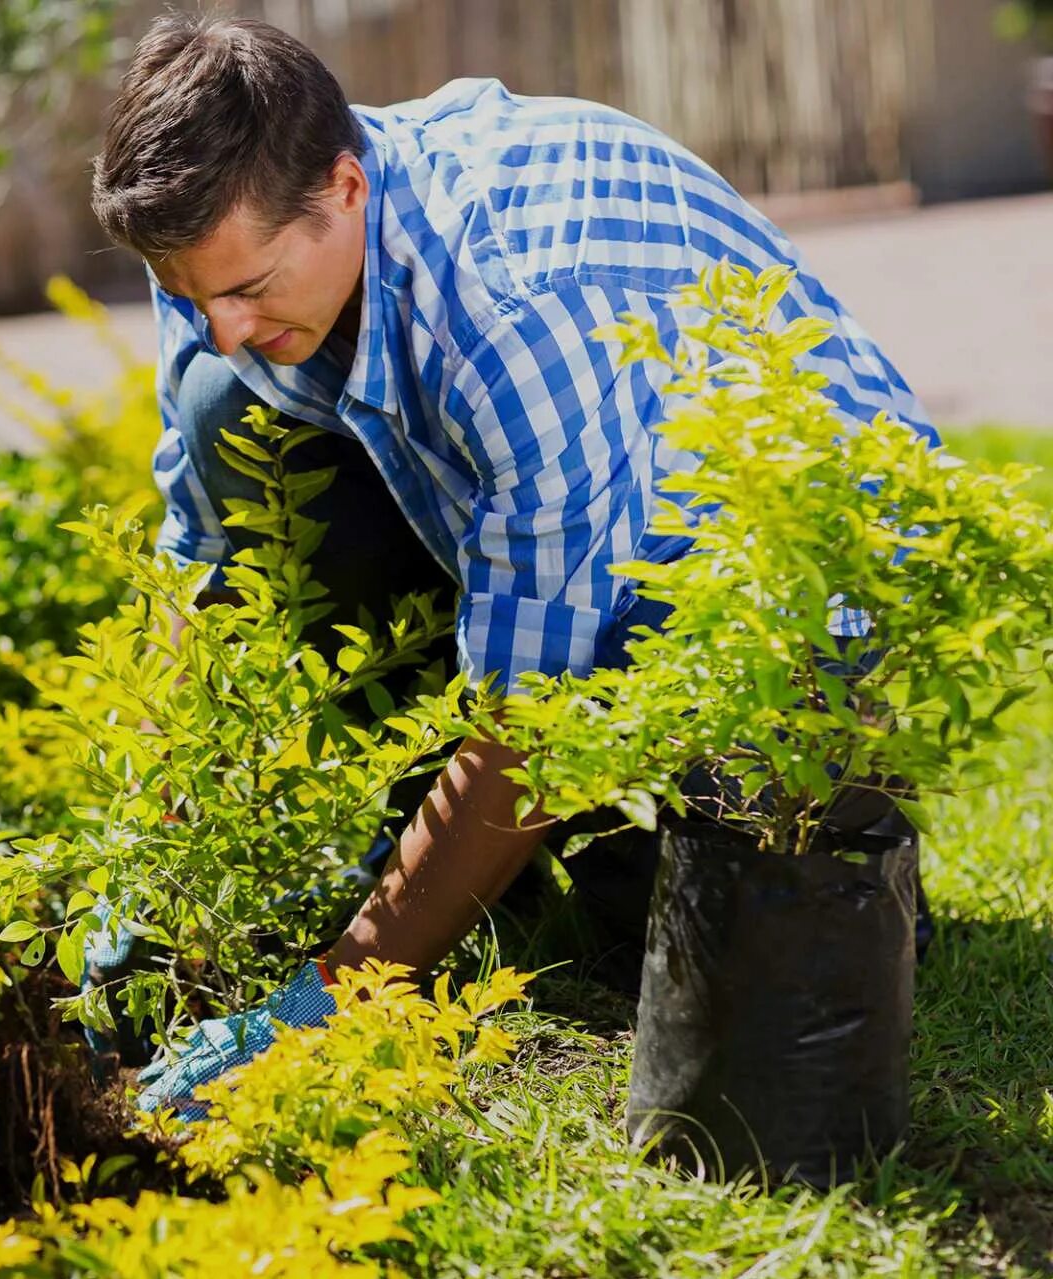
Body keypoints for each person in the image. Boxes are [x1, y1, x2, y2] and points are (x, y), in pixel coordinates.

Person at [84, 15, 937, 1116]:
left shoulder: (513, 306)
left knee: (687, 938)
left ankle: (778, 847)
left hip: (775, 574)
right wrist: (153, 846)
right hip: (560, 538)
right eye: (193, 293)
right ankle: (454, 868)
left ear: (344, 186)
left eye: (245, 288)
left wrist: (331, 1000)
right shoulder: (216, 238)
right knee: (225, 408)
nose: (224, 322)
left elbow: (536, 722)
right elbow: (197, 554)